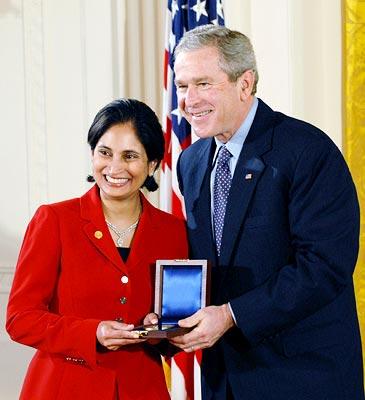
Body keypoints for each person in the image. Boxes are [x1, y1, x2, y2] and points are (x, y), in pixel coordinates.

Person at [170, 25, 364, 399]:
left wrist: (230, 315)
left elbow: (324, 266)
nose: (189, 100)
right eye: (182, 86)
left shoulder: (306, 151)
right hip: (223, 379)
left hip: (300, 376)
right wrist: (168, 316)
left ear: (245, 83)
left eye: (203, 84)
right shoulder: (191, 162)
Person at [6, 98, 188, 400]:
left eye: (130, 156)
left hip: (142, 388)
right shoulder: (54, 220)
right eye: (105, 153)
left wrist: (158, 331)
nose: (115, 167)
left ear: (152, 164)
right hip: (64, 388)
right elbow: (20, 318)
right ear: (93, 154)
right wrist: (90, 333)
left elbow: (176, 331)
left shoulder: (173, 232)